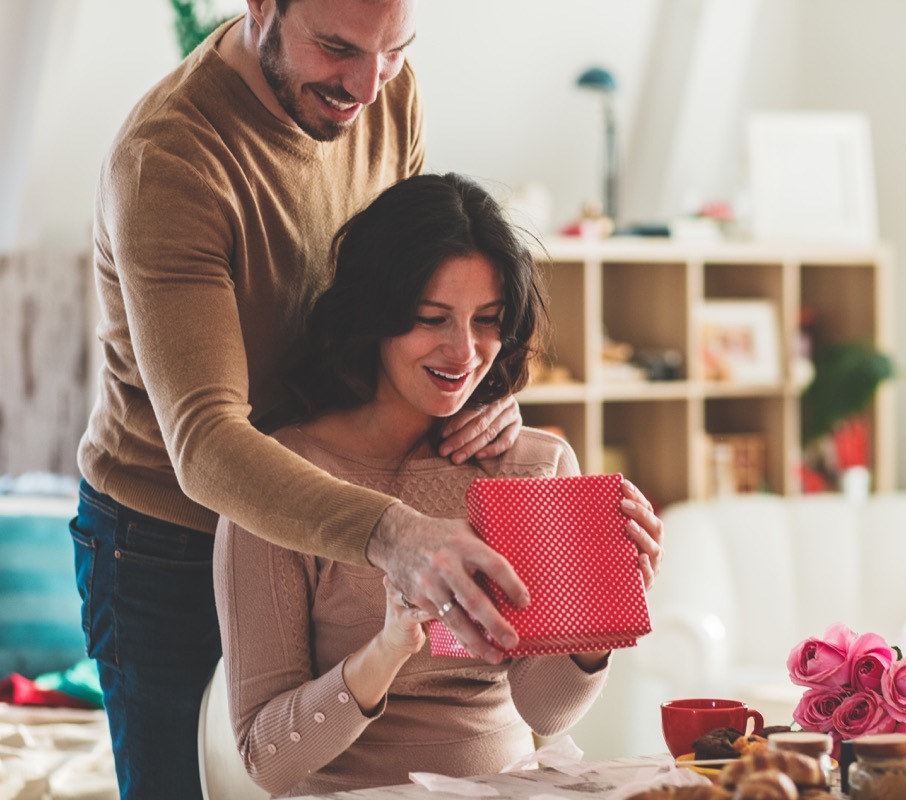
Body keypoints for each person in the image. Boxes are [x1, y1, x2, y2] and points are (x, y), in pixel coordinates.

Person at [70, 1, 666, 797]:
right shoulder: (169, 161)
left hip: (345, 469)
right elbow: (207, 444)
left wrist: (481, 390)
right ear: (261, 7)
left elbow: (413, 264)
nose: (366, 85)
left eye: (394, 50)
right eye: (336, 48)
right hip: (169, 523)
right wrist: (397, 536)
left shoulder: (384, 85)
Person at [215, 172, 639, 796]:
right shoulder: (282, 482)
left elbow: (547, 712)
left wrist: (600, 615)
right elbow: (266, 759)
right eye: (432, 318)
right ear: (375, 317)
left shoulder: (535, 463)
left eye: (488, 320)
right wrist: (388, 648)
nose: (464, 352)